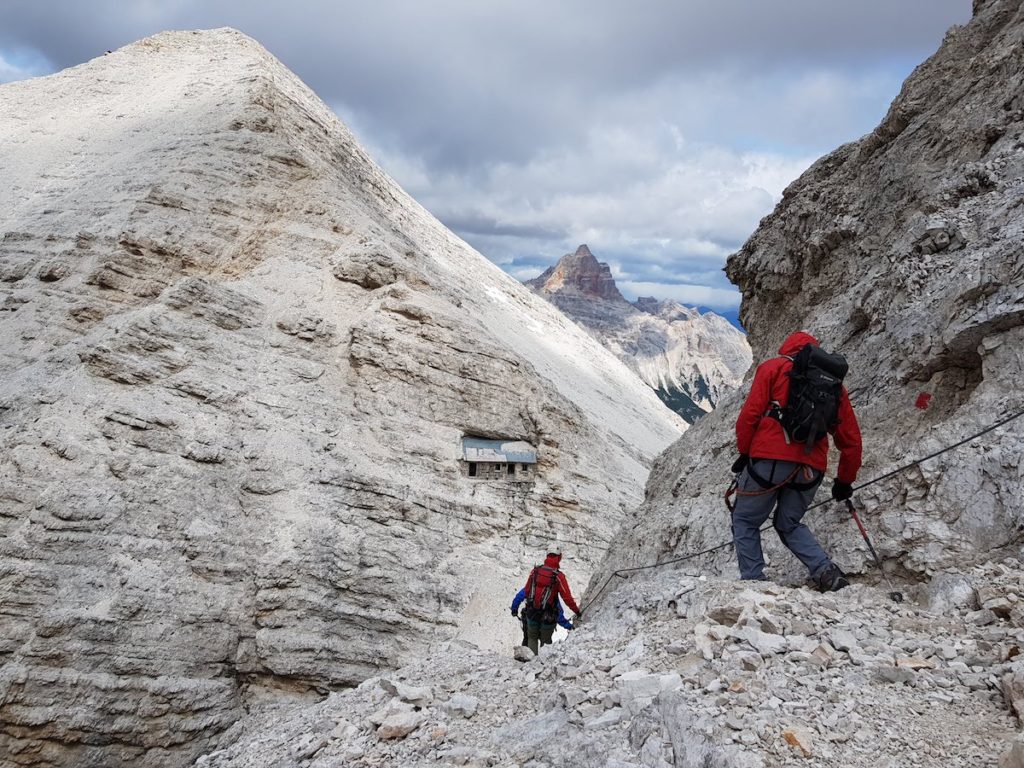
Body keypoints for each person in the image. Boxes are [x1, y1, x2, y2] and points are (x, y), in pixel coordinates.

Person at [730, 331, 862, 592]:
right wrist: (845, 480)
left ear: (787, 347)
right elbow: (851, 440)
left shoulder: (773, 368)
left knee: (745, 520)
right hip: (810, 469)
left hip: (767, 462)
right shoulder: (834, 386)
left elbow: (749, 416)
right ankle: (827, 573)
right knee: (788, 523)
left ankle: (754, 582)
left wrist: (745, 453)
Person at [517, 546, 581, 654]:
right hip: (549, 616)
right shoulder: (559, 576)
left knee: (532, 638)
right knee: (545, 641)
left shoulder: (535, 571)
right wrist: (577, 611)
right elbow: (567, 598)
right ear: (559, 557)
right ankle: (542, 665)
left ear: (547, 556)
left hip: (532, 613)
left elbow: (527, 591)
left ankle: (530, 665)